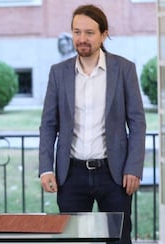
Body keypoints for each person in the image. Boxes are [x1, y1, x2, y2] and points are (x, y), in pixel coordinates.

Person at [39, 4, 146, 244]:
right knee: (73, 240)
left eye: (89, 32)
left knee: (118, 239)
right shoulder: (58, 73)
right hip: (71, 174)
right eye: (77, 32)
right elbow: (48, 124)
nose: (82, 39)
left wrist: (133, 167)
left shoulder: (124, 69)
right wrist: (46, 168)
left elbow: (137, 122)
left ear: (104, 34)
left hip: (115, 174)